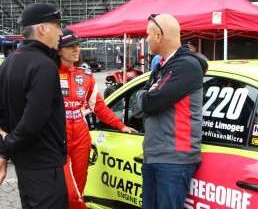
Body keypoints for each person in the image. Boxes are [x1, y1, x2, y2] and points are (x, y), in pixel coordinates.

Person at [55, 29, 138, 209]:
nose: (76, 49)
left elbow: (98, 107)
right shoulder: (48, 73)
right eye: (70, 46)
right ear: (59, 50)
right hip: (57, 137)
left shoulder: (86, 75)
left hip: (81, 137)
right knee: (69, 192)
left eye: (77, 45)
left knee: (79, 187)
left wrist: (121, 126)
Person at [133, 14, 208, 209]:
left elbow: (149, 103)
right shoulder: (162, 66)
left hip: (174, 158)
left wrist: (147, 96)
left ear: (159, 36)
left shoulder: (185, 66)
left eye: (148, 34)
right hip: (156, 154)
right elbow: (137, 109)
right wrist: (146, 96)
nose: (146, 39)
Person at [0, 2, 69, 208]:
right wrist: (10, 142)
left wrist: (5, 149)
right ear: (42, 28)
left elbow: (2, 114)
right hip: (44, 165)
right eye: (57, 26)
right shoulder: (43, 65)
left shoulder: (9, 62)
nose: (60, 32)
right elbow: (34, 119)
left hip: (24, 165)